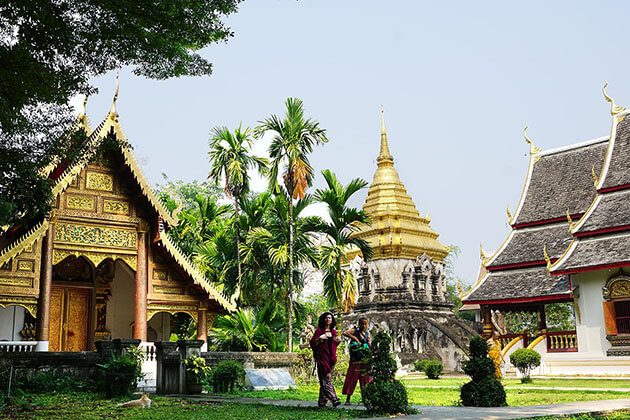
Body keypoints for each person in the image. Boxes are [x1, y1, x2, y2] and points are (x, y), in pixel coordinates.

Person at [310, 312, 342, 407]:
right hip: (322, 358)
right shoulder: (319, 331)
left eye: (330, 318)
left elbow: (333, 345)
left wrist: (338, 341)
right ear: (323, 319)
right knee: (326, 379)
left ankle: (322, 402)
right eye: (327, 318)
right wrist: (320, 339)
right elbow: (313, 343)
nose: (328, 319)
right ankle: (334, 399)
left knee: (324, 380)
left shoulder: (333, 332)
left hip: (331, 359)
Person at [342, 317, 372, 405]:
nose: (363, 325)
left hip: (364, 360)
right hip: (355, 361)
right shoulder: (355, 331)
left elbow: (369, 345)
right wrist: (355, 338)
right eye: (362, 323)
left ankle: (365, 399)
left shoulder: (367, 334)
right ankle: (348, 399)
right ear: (359, 324)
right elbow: (345, 333)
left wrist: (369, 344)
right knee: (352, 379)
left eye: (365, 324)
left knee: (365, 380)